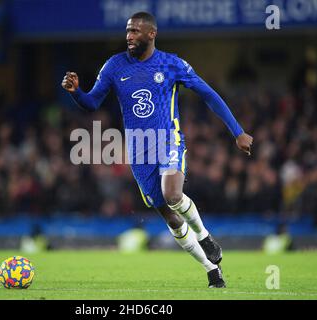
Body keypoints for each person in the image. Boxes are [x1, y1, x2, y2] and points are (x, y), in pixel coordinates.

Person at [61, 12, 253, 288]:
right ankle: (211, 268)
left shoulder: (171, 64)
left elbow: (208, 93)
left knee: (173, 194)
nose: (129, 36)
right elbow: (92, 103)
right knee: (170, 217)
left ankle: (204, 235)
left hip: (167, 139)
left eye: (136, 31)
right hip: (139, 150)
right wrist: (76, 92)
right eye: (128, 31)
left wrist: (238, 131)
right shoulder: (114, 66)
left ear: (151, 34)